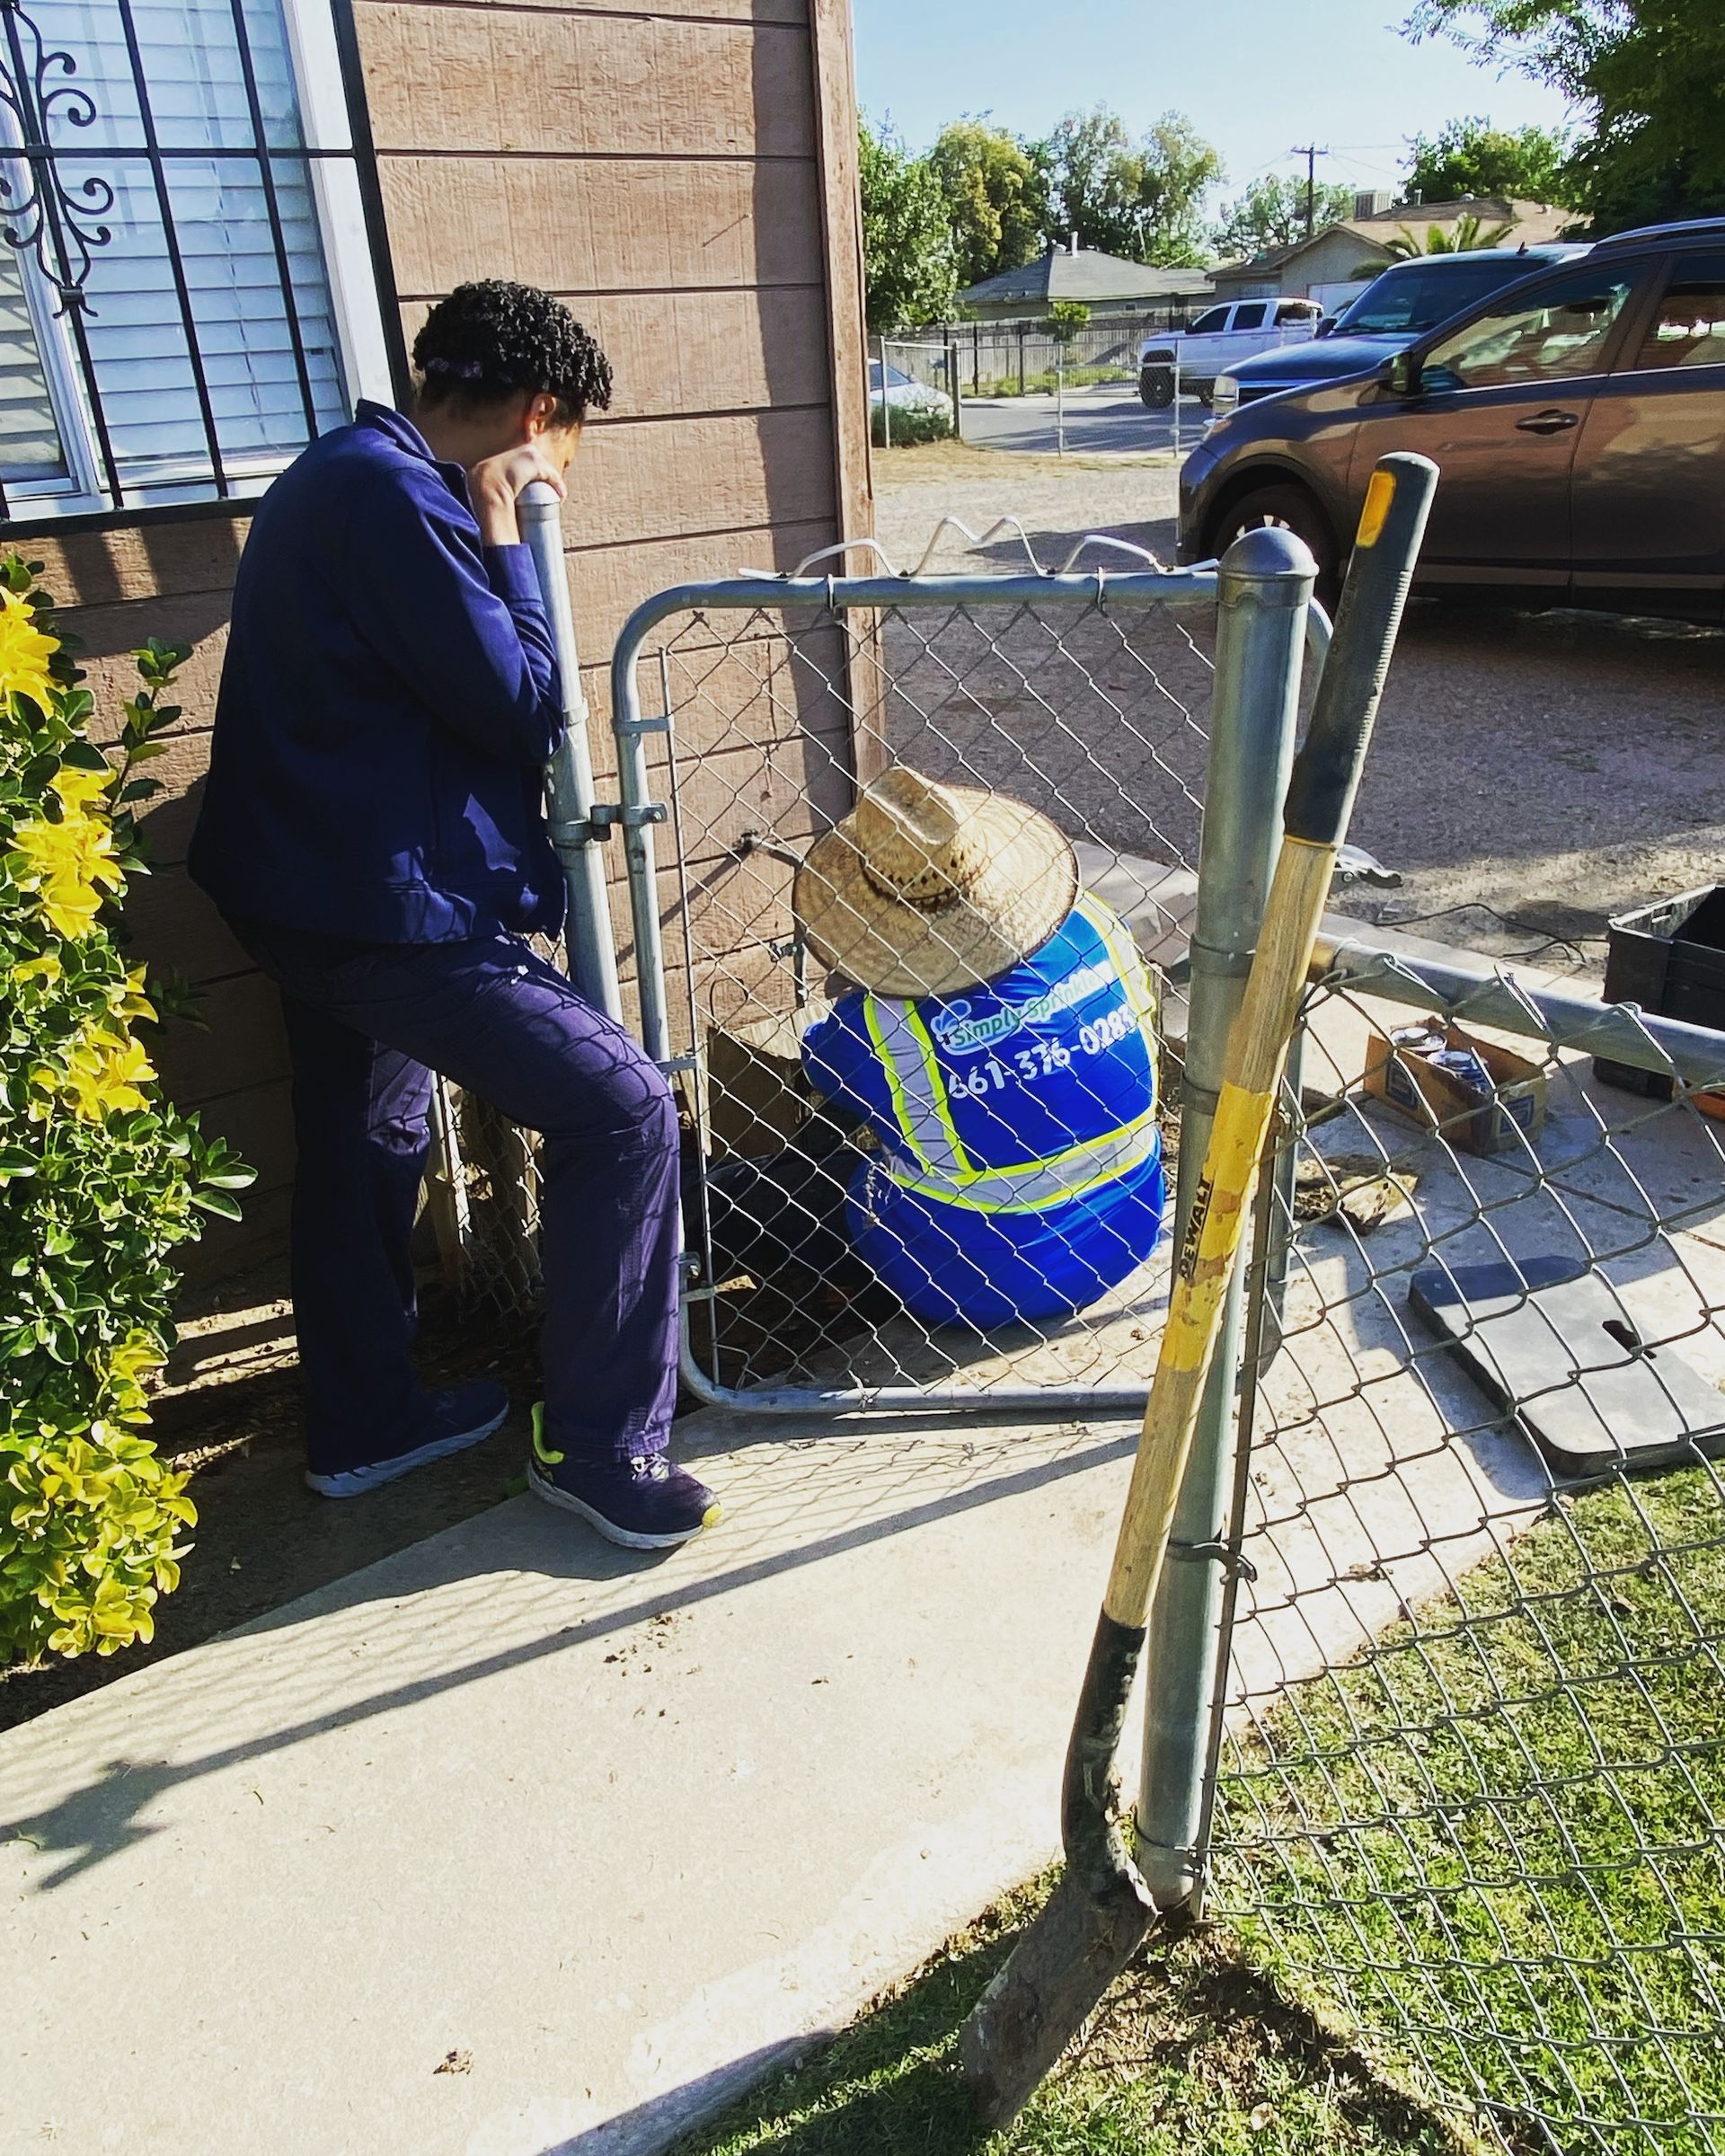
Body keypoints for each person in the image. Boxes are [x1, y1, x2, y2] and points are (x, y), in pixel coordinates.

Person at [188, 280, 720, 1549]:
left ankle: (366, 1426)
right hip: (378, 911)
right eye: (558, 453)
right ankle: (604, 1448)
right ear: (538, 414)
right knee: (627, 1110)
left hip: (298, 887)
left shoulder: (338, 469)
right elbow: (524, 700)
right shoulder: (404, 498)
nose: (552, 480)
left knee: (368, 1141)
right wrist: (504, 531)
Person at [792, 768, 1166, 1330]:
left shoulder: (880, 1023)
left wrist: (862, 999)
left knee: (840, 1178)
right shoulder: (1094, 924)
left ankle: (852, 1303)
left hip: (976, 1288)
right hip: (1131, 1230)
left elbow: (820, 1067)